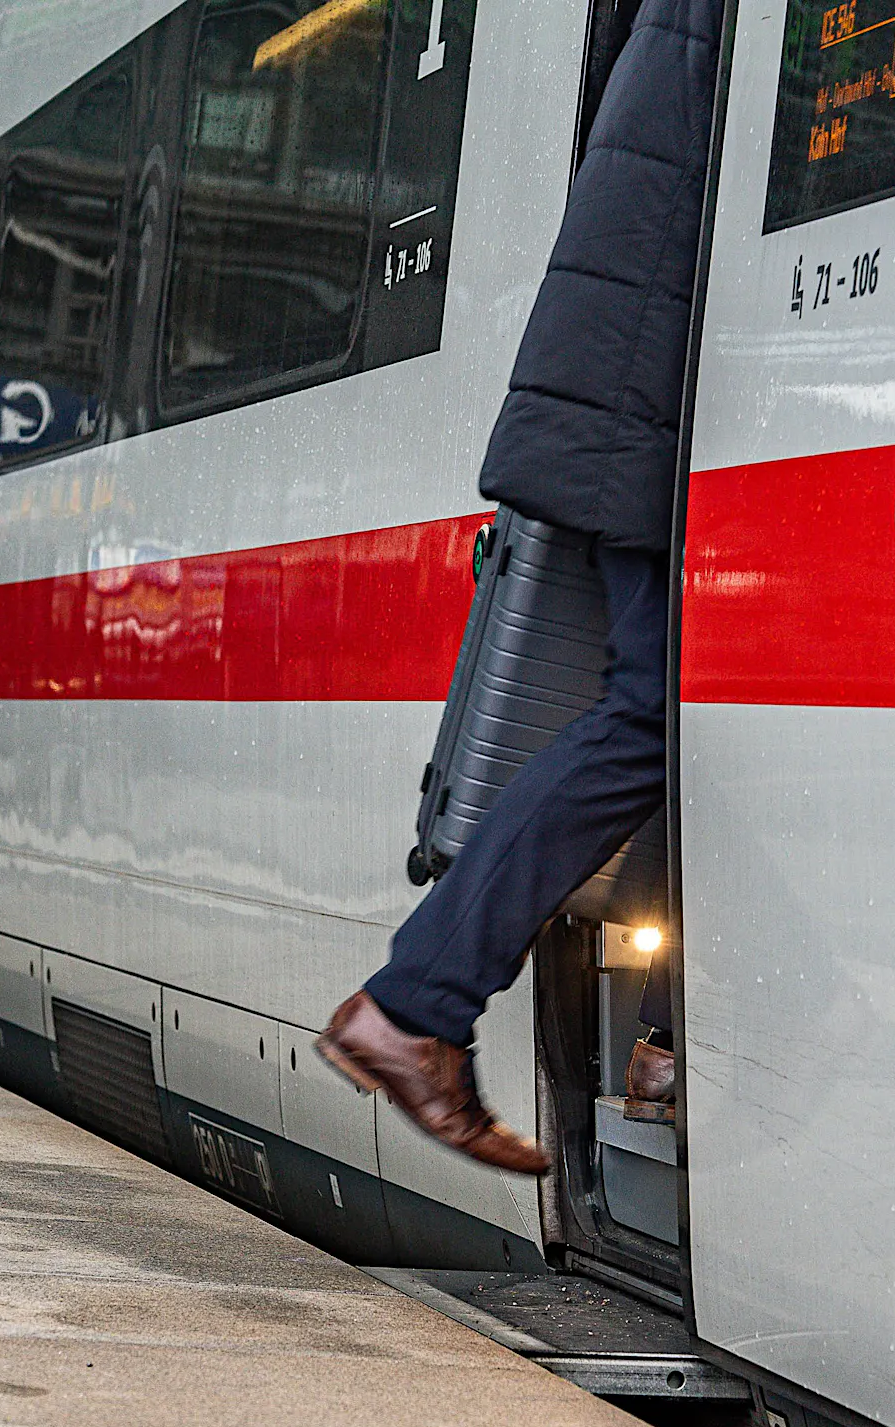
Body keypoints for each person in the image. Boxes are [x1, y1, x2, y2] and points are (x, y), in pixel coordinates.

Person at [318, 0, 722, 1173]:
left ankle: (648, 1030)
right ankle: (424, 1004)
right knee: (657, 714)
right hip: (636, 405)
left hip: (617, 393)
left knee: (674, 711)